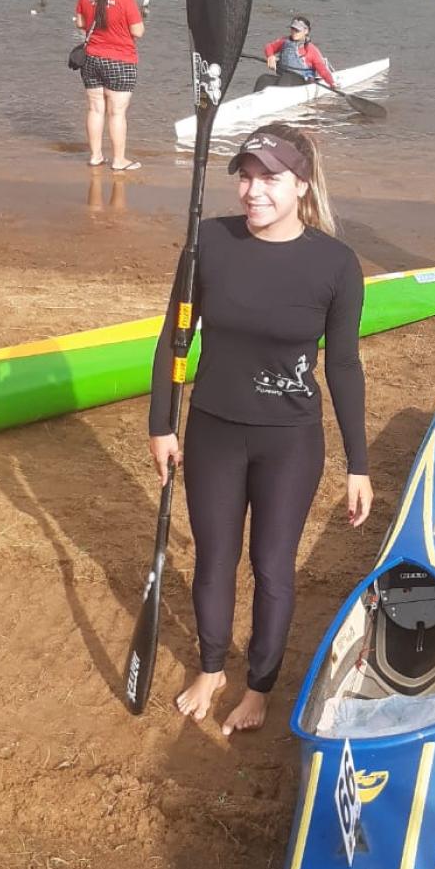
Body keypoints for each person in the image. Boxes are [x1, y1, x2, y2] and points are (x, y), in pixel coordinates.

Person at [148, 122, 373, 736]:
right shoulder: (207, 244)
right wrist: (161, 423)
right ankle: (213, 667)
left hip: (290, 442)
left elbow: (345, 365)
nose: (252, 192)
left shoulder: (335, 264)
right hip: (213, 430)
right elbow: (176, 336)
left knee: (273, 566)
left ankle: (261, 686)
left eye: (269, 179)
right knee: (214, 558)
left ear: (301, 185)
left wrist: (359, 463)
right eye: (245, 178)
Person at [74, 0, 144, 172]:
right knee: (117, 113)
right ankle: (119, 160)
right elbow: (138, 31)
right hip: (120, 62)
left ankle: (95, 156)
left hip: (92, 59)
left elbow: (80, 23)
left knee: (95, 109)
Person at [254, 17, 336, 93]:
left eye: (297, 30)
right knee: (263, 79)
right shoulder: (284, 42)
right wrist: (270, 56)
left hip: (303, 82)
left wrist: (331, 83)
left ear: (306, 31)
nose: (294, 32)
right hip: (284, 78)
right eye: (293, 29)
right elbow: (269, 47)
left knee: (287, 79)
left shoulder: (311, 50)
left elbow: (322, 70)